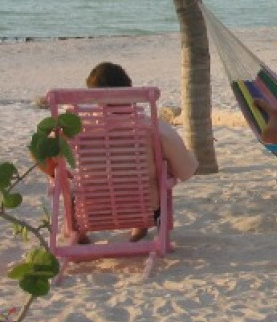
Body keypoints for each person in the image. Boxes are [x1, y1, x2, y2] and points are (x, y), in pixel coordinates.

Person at [40, 62, 199, 243]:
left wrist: (55, 173)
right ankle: (139, 224)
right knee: (160, 170)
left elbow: (39, 152)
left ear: (93, 96)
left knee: (77, 186)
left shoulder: (75, 129)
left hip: (87, 212)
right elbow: (186, 171)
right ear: (128, 90)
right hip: (145, 209)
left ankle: (80, 232)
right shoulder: (152, 128)